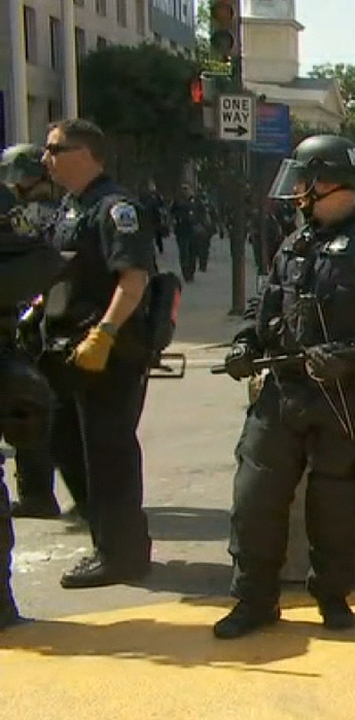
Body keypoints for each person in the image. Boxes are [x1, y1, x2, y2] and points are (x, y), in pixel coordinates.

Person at [212, 134, 355, 639]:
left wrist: (348, 358)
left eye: (307, 182)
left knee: (332, 508)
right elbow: (263, 309)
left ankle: (332, 595)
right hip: (281, 394)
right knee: (254, 499)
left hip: (341, 398)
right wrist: (246, 344)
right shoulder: (294, 242)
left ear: (329, 182)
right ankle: (254, 600)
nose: (300, 193)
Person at [39, 118, 155, 588]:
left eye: (53, 148)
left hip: (108, 351)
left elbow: (134, 279)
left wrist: (104, 333)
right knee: (65, 442)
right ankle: (107, 537)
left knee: (108, 452)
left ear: (84, 153)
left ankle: (121, 552)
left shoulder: (115, 209)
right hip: (66, 348)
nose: (45, 158)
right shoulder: (71, 206)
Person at [0, 143, 77, 520]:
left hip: (36, 321)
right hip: (37, 320)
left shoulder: (31, 215)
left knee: (28, 409)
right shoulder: (57, 210)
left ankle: (38, 493)